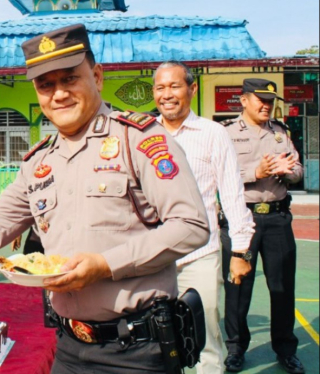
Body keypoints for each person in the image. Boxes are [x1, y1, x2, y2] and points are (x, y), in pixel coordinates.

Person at [0, 24, 210, 373]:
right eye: (46, 84)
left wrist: (105, 264)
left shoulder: (139, 141)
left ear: (97, 77)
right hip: (69, 348)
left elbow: (191, 226)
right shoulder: (39, 162)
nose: (59, 94)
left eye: (70, 79)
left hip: (136, 351)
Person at [151, 61, 255, 373]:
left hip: (200, 254)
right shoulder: (144, 134)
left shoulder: (213, 133)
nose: (167, 95)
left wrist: (240, 251)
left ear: (192, 89)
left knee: (205, 339)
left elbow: (232, 193)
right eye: (160, 88)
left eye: (174, 86)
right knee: (156, 342)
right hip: (153, 258)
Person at [220, 78, 305, 374]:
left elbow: (298, 169)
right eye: (260, 99)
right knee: (237, 288)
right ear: (243, 100)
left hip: (278, 219)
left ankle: (285, 349)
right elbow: (220, 173)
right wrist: (256, 171)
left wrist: (290, 171)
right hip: (243, 218)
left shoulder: (280, 133)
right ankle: (235, 349)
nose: (266, 105)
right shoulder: (227, 133)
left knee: (282, 287)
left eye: (270, 101)